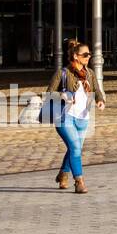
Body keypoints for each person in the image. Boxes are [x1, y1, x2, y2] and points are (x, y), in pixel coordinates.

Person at [44, 40, 106, 194]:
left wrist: (100, 100)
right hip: (65, 117)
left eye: (89, 54)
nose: (88, 57)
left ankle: (63, 174)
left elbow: (97, 90)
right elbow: (48, 93)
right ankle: (79, 181)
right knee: (76, 148)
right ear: (76, 56)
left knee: (74, 149)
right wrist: (62, 95)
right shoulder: (63, 73)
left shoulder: (90, 73)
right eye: (85, 55)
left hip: (83, 118)